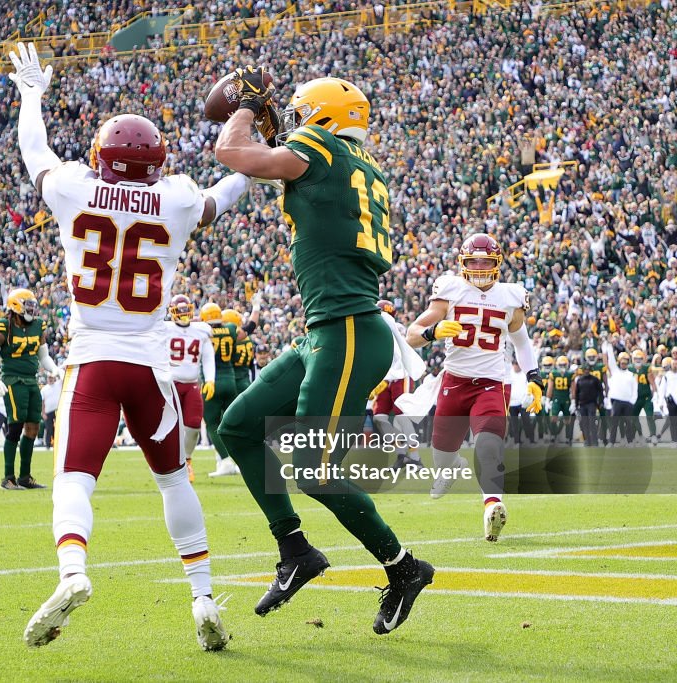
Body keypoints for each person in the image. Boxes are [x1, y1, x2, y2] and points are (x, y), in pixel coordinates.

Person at [10, 43, 248, 650]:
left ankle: (73, 572)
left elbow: (34, 153)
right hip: (150, 366)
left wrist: (31, 95)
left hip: (91, 361)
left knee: (74, 479)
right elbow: (225, 193)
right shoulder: (177, 199)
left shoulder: (71, 189)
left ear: (100, 157)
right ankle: (201, 598)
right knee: (173, 480)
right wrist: (256, 158)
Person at [214, 72, 434, 634]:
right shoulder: (356, 162)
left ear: (322, 117)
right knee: (238, 425)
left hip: (349, 331)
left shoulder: (322, 146)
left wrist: (246, 105)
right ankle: (295, 549)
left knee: (314, 467)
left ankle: (403, 566)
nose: (294, 120)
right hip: (324, 332)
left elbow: (232, 152)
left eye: (300, 112)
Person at [406, 233, 543, 542]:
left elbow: (521, 341)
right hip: (454, 382)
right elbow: (411, 334)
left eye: (486, 262)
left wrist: (533, 377)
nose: (480, 268)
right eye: (474, 262)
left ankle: (492, 505)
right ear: (463, 264)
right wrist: (433, 332)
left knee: (488, 443)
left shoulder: (511, 296)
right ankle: (450, 465)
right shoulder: (450, 291)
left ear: (497, 264)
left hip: (493, 384)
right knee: (441, 454)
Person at [0, 287, 61, 490]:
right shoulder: (4, 325)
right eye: (28, 305)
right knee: (15, 426)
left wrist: (54, 369)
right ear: (16, 305)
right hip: (13, 380)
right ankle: (8, 478)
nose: (32, 309)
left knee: (33, 427)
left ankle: (25, 477)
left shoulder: (37, 325)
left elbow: (43, 356)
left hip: (31, 380)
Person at [164, 294, 216, 481]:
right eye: (180, 311)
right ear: (172, 312)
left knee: (193, 425)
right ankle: (169, 463)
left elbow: (208, 357)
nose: (184, 314)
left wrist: (210, 379)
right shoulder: (164, 329)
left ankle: (186, 461)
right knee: (169, 426)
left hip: (192, 384)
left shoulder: (201, 330)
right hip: (170, 384)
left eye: (186, 310)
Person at [370, 299, 421, 469]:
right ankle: (401, 452)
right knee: (379, 417)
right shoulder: (375, 330)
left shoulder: (396, 327)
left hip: (401, 375)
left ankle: (415, 457)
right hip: (385, 378)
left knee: (401, 416)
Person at [198, 301, 246, 478]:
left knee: (212, 423)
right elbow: (244, 332)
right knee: (232, 423)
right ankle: (242, 460)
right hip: (230, 379)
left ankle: (225, 461)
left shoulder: (202, 331)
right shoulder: (231, 328)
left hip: (211, 382)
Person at [603, 342, 637, 445]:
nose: (624, 364)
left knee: (629, 423)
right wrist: (608, 346)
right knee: (614, 423)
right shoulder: (615, 371)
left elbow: (635, 389)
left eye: (626, 363)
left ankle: (630, 442)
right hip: (616, 401)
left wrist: (632, 401)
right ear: (619, 363)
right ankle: (611, 442)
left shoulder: (631, 374)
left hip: (628, 402)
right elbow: (611, 360)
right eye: (622, 363)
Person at [573, 366, 604, 447]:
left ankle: (595, 441)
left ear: (590, 370)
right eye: (585, 370)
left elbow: (600, 391)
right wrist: (576, 405)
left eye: (588, 370)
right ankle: (587, 440)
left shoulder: (595, 379)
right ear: (583, 371)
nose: (586, 371)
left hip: (592, 404)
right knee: (584, 423)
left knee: (592, 423)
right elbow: (576, 393)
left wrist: (600, 402)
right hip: (582, 404)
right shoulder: (580, 380)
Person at [547, 355, 575, 444]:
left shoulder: (570, 374)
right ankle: (553, 435)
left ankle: (568, 438)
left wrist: (573, 401)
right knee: (553, 418)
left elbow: (573, 388)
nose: (562, 367)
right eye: (561, 365)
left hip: (566, 398)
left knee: (567, 419)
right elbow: (550, 388)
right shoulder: (553, 373)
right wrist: (548, 399)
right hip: (556, 398)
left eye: (564, 365)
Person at [40, 371, 62, 448]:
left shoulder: (58, 384)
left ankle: (58, 444)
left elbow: (62, 375)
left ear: (54, 378)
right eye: (49, 378)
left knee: (59, 427)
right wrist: (43, 413)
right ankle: (48, 445)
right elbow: (42, 402)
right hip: (48, 411)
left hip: (58, 410)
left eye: (51, 378)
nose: (50, 379)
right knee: (49, 428)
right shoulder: (44, 389)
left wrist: (56, 372)